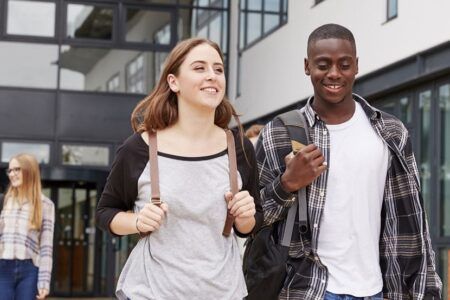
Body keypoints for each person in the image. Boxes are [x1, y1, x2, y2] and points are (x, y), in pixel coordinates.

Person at [256, 24, 442, 299]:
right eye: (323, 65)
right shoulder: (279, 132)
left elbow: (413, 222)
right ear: (307, 67)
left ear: (356, 66)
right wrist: (287, 184)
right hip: (307, 290)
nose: (333, 74)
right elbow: (253, 221)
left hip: (375, 290)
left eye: (344, 65)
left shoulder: (391, 133)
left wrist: (426, 291)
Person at [96, 37, 263, 300]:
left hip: (222, 292)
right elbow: (106, 213)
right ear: (173, 82)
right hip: (151, 291)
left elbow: (250, 225)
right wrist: (137, 221)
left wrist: (245, 217)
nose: (212, 76)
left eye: (218, 69)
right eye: (199, 68)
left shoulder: (239, 148)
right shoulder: (138, 148)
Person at [0, 153, 55, 300]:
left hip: (29, 271)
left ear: (29, 171)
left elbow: (46, 247)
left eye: (17, 169)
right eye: (10, 170)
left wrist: (44, 282)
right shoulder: (4, 201)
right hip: (3, 268)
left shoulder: (45, 205)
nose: (12, 174)